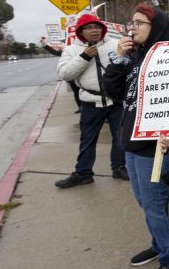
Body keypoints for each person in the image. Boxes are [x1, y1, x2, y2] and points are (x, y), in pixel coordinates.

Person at [102, 3, 169, 269]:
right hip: (131, 142)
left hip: (154, 147)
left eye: (139, 23)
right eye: (132, 22)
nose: (132, 27)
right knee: (144, 202)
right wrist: (118, 59)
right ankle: (159, 242)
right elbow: (114, 93)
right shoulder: (136, 57)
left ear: (157, 28)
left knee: (154, 206)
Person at [55, 14, 128, 187]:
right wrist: (84, 57)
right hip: (90, 103)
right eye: (88, 27)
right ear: (80, 31)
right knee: (88, 140)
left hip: (115, 101)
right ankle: (83, 173)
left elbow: (126, 66)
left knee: (119, 137)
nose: (94, 30)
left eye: (97, 26)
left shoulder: (115, 45)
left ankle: (119, 167)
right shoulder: (71, 50)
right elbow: (65, 74)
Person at [41, 36, 83, 114]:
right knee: (76, 92)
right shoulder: (68, 51)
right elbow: (56, 52)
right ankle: (80, 107)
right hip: (72, 76)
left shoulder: (85, 48)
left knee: (84, 92)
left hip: (83, 76)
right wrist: (45, 45)